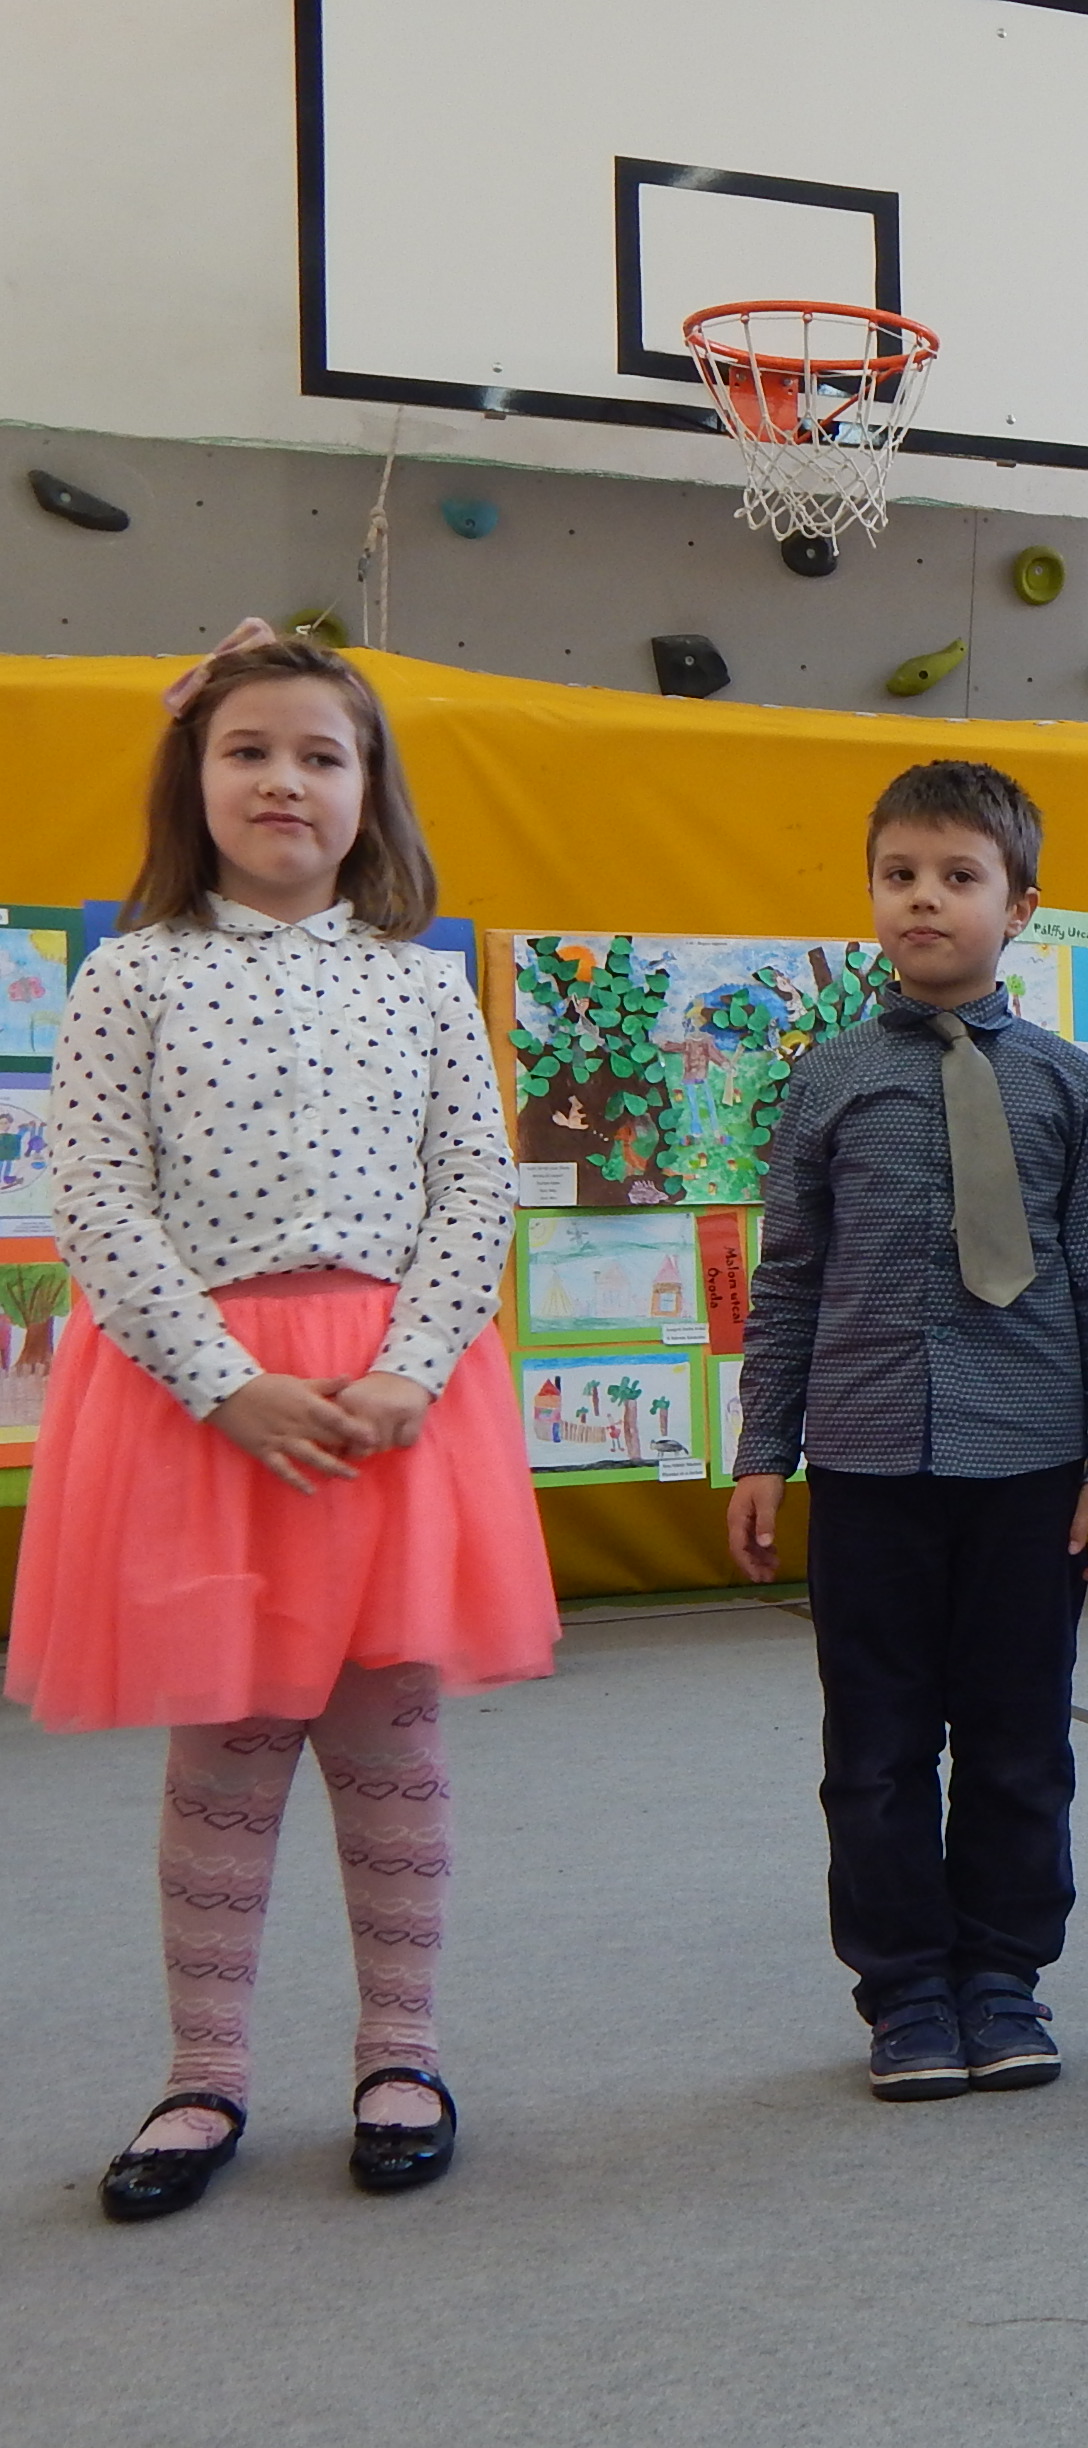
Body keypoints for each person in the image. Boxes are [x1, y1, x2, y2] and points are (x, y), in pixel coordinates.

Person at [10, 624, 558, 2219]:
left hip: (393, 1401)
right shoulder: (133, 975)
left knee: (390, 1738)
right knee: (229, 1749)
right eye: (248, 749)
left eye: (323, 755)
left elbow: (475, 1195)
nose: (284, 781)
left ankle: (404, 2052)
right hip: (212, 1409)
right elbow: (96, 1200)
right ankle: (204, 2074)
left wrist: (412, 1365)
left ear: (368, 790)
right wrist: (223, 1382)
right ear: (193, 775)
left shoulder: (423, 983)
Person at [727, 761, 1088, 2102]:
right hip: (868, 1464)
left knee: (1020, 1739)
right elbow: (790, 1277)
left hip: (1028, 1466)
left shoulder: (1066, 1084)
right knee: (875, 1745)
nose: (924, 899)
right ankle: (906, 1988)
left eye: (958, 877)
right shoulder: (829, 1079)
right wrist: (762, 1450)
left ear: (1018, 905)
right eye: (899, 875)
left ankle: (1003, 1977)